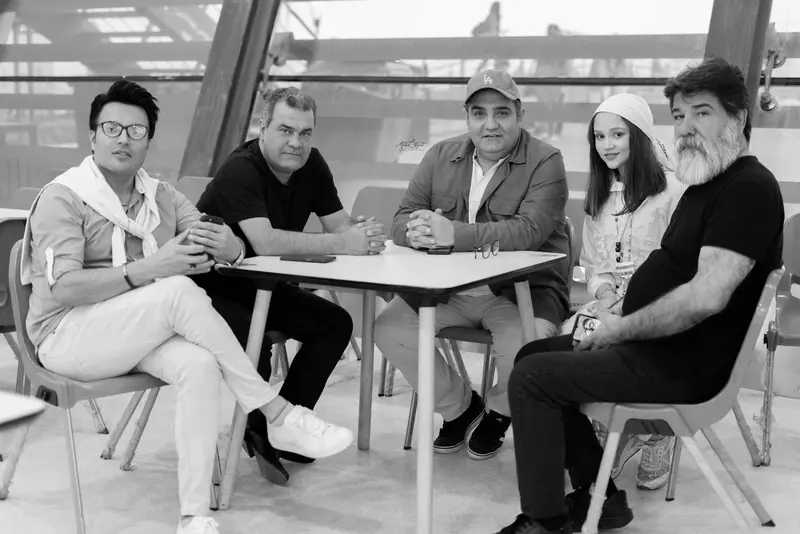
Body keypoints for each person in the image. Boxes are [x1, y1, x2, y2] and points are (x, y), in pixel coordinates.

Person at [23, 80, 354, 534]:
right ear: (93, 135)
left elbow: (216, 238)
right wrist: (152, 267)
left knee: (199, 364)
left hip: (133, 333)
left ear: (149, 140)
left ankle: (193, 515)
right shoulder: (64, 196)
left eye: (136, 131)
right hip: (67, 336)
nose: (124, 139)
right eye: (112, 128)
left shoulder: (160, 196)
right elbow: (63, 289)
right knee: (176, 289)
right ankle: (277, 413)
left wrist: (232, 245)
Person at [495, 56, 784, 534]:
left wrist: (620, 330)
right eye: (679, 116)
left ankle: (544, 523)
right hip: (659, 350)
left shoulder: (748, 189)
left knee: (533, 378)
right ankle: (601, 497)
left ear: (737, 117)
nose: (686, 127)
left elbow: (706, 297)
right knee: (532, 355)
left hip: (683, 367)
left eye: (702, 112)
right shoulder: (708, 185)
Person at [194, 86, 387, 485]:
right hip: (211, 287)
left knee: (334, 324)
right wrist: (343, 243)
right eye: (285, 130)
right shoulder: (241, 170)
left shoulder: (311, 163)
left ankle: (282, 427)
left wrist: (364, 234)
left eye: (305, 133)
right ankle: (261, 428)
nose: (296, 142)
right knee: (256, 342)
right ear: (263, 128)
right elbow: (264, 242)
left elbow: (339, 225)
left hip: (265, 287)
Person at [374, 69, 570, 461]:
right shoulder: (439, 156)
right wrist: (415, 232)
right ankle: (460, 409)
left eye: (502, 112)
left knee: (527, 347)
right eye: (479, 113)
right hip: (450, 290)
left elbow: (528, 232)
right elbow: (402, 217)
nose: (490, 124)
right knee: (390, 328)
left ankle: (499, 413)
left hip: (520, 292)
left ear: (520, 115)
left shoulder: (546, 160)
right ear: (466, 117)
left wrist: (453, 235)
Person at [561, 92, 687, 491]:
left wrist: (634, 302)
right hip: (613, 305)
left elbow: (684, 268)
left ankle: (657, 433)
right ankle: (611, 427)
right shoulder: (600, 195)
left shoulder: (673, 192)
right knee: (572, 339)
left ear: (640, 135)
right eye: (600, 137)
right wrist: (603, 295)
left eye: (618, 134)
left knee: (641, 344)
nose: (607, 145)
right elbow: (594, 265)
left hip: (662, 306)